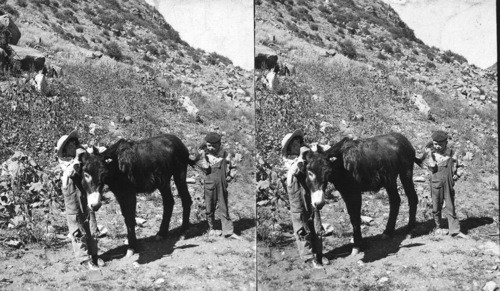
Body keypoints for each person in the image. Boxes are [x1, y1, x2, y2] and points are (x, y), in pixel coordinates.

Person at [56, 130, 104, 270]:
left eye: (74, 142)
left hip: (83, 194)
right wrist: (78, 158)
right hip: (72, 197)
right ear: (64, 149)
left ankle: (94, 255)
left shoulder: (81, 158)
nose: (73, 145)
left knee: (91, 222)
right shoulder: (65, 162)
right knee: (77, 226)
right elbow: (71, 171)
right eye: (69, 144)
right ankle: (83, 259)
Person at [281, 129, 328, 268]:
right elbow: (295, 169)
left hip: (309, 196)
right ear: (289, 148)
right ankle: (308, 257)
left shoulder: (305, 159)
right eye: (294, 144)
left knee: (316, 224)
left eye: (298, 143)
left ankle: (319, 253)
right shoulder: (289, 161)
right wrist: (303, 156)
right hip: (297, 200)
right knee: (301, 227)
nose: (297, 146)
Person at [424, 130, 467, 238]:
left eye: (440, 144)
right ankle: (438, 227)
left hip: (448, 183)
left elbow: (460, 166)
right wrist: (429, 155)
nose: (437, 146)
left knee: (450, 206)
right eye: (435, 144)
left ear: (446, 143)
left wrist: (458, 173)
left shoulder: (452, 153)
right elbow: (432, 168)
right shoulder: (432, 154)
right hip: (436, 183)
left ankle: (454, 230)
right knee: (436, 206)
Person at [198, 132, 239, 239]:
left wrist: (230, 176)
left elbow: (234, 167)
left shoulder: (226, 155)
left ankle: (228, 231)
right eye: (209, 145)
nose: (211, 148)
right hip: (209, 184)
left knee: (223, 206)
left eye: (214, 145)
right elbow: (204, 169)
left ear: (219, 144)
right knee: (209, 207)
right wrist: (202, 155)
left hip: (222, 184)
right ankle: (211, 229)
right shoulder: (204, 157)